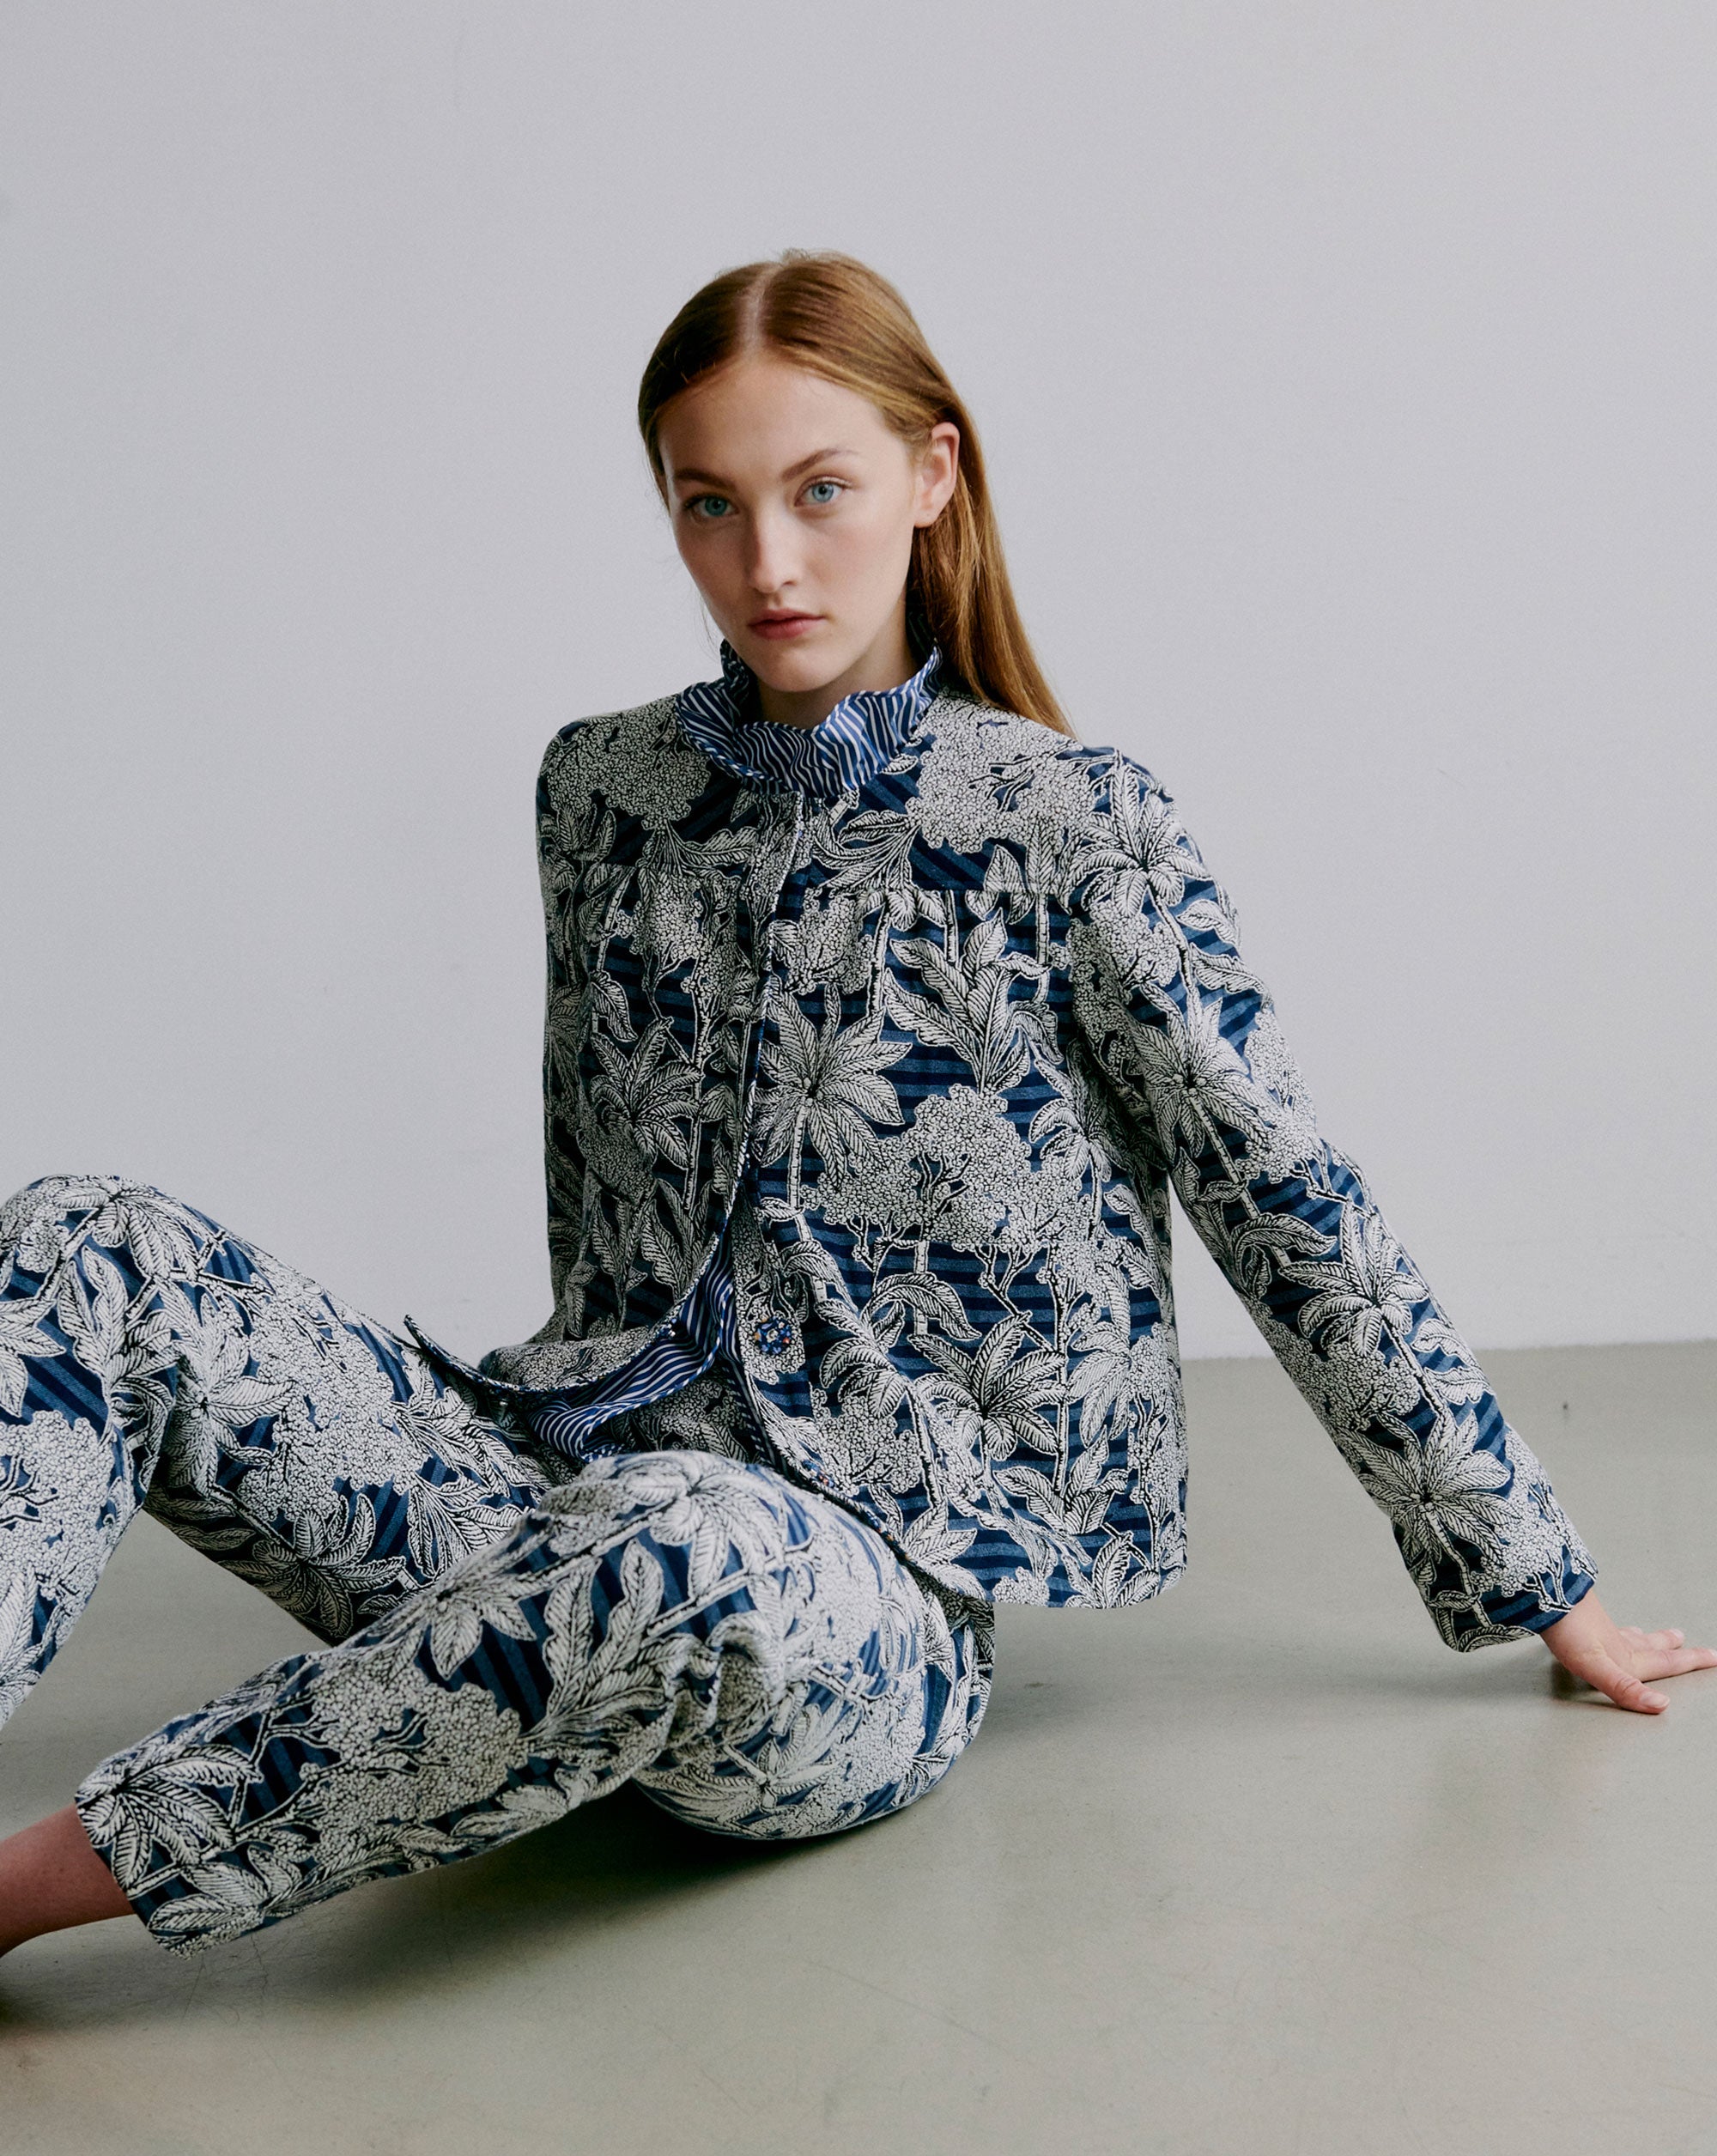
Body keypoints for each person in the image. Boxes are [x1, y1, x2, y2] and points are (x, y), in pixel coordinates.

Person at [2, 252, 1709, 1967]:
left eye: (820, 489)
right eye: (709, 504)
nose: (767, 562)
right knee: (85, 1240)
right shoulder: (602, 787)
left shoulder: (1063, 819)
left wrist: (1540, 1586)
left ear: (929, 475)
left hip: (838, 1609)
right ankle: (496, 1680)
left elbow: (1289, 1203)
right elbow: (603, 1207)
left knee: (678, 1543)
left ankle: (29, 1896)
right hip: (555, 1490)